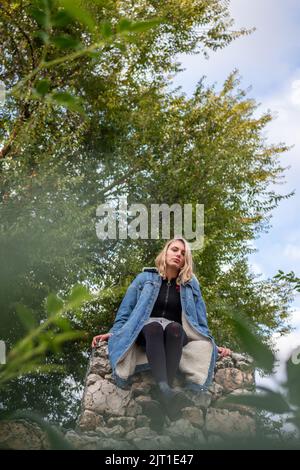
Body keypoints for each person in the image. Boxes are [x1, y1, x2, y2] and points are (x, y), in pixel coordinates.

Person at [92, 237, 231, 420]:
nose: (178, 255)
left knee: (174, 328)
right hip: (147, 331)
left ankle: (164, 393)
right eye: (174, 250)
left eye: (183, 253)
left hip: (176, 333)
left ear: (186, 260)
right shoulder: (144, 278)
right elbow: (126, 310)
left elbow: (200, 321)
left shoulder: (190, 286)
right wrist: (114, 332)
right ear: (165, 252)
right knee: (154, 327)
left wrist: (213, 343)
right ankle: (166, 391)